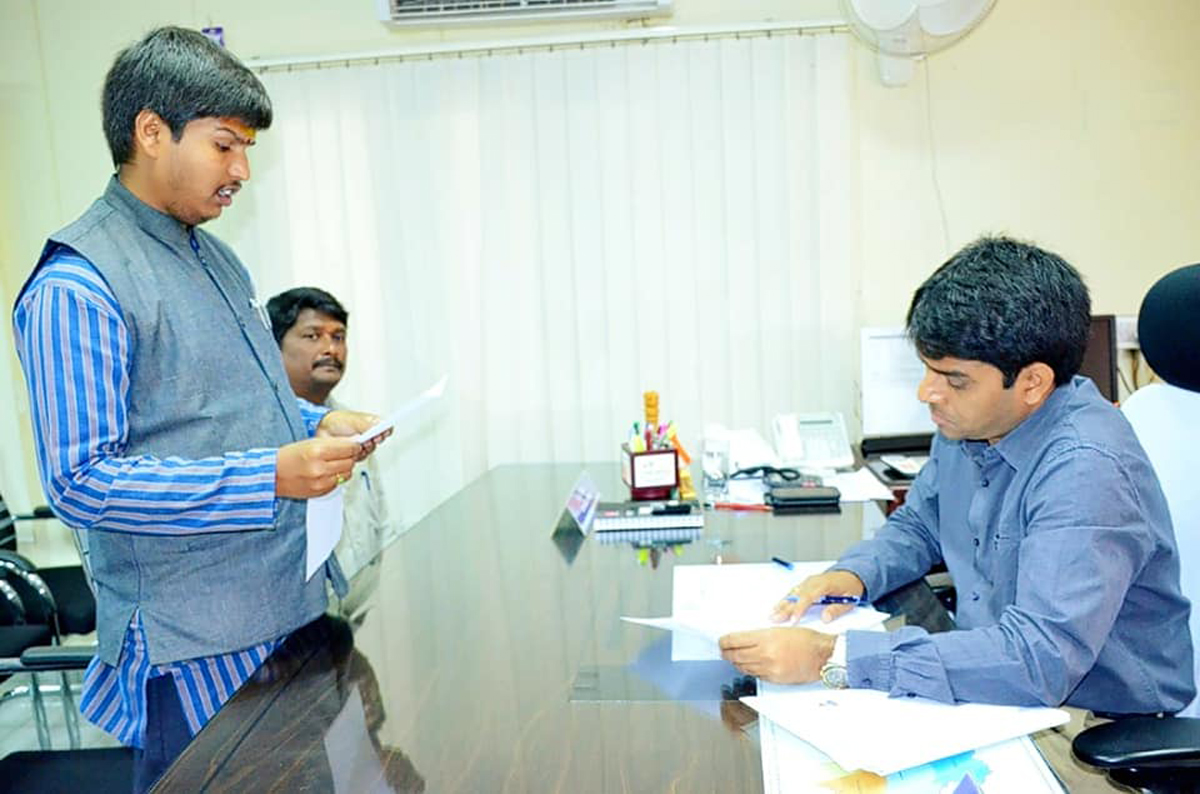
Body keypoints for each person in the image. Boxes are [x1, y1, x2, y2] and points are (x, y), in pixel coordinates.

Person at [11, 27, 386, 791]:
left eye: (246, 148)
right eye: (225, 145)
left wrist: (317, 427)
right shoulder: (77, 287)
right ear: (151, 132)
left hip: (287, 615)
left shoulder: (215, 257)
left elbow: (224, 409)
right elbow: (82, 482)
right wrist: (273, 476)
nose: (242, 170)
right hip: (198, 650)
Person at [719, 236, 1194, 720]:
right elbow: (922, 524)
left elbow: (1041, 659)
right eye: (928, 370)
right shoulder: (971, 423)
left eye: (953, 379)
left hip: (1095, 719)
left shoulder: (1085, 469)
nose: (927, 392)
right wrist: (855, 574)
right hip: (996, 674)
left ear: (1032, 382)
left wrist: (831, 657)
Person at [267, 287, 391, 605]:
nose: (330, 349)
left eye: (338, 337)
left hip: (358, 611)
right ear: (273, 347)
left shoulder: (354, 426)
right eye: (313, 336)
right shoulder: (262, 435)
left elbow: (378, 521)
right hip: (299, 620)